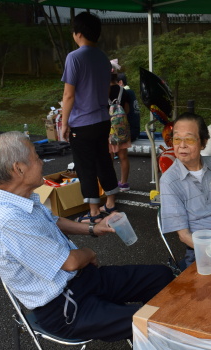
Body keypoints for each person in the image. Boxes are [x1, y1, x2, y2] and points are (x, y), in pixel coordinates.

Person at [0, 131, 174, 342]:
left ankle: (158, 342)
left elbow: (53, 221)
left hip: (83, 280)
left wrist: (93, 228)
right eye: (36, 157)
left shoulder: (18, 198)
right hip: (63, 307)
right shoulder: (7, 219)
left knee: (162, 277)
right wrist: (89, 252)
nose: (42, 162)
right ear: (18, 168)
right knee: (153, 323)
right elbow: (71, 262)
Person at [160, 112, 211, 270]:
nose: (182, 145)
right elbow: (184, 236)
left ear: (203, 143)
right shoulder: (169, 181)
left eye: (189, 139)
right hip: (200, 247)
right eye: (177, 139)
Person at [61, 11, 119, 223]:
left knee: (85, 165)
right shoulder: (103, 57)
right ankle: (111, 201)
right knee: (103, 160)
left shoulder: (74, 57)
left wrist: (64, 123)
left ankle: (94, 211)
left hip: (82, 123)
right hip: (102, 119)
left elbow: (68, 95)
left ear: (77, 34)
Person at [109, 60, 132, 192]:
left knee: (109, 157)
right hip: (122, 128)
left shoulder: (103, 91)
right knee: (123, 156)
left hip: (109, 129)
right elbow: (127, 110)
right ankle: (124, 183)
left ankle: (111, 184)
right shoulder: (124, 91)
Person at [117, 72, 141, 142]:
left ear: (120, 82)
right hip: (135, 131)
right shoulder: (131, 92)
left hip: (129, 133)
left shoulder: (125, 93)